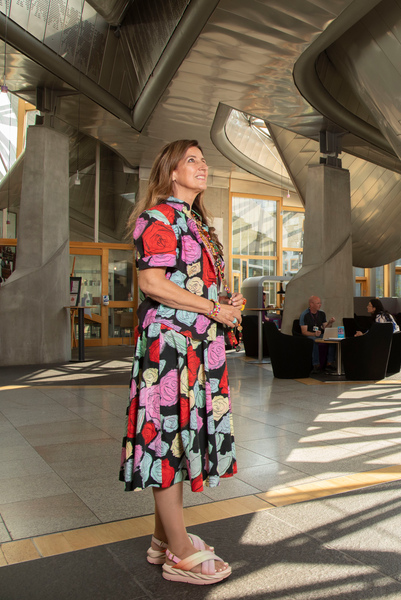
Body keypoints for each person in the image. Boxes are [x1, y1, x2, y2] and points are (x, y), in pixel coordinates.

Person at [120, 140, 243, 586]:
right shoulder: (159, 217)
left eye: (203, 160)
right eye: (192, 160)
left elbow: (190, 286)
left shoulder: (199, 224)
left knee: (178, 437)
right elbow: (153, 282)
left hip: (196, 347)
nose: (202, 165)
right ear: (171, 171)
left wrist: (224, 302)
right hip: (169, 347)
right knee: (167, 439)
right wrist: (212, 309)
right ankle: (179, 551)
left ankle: (162, 541)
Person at [300, 295, 336, 372]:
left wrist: (330, 322)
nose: (320, 305)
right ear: (311, 304)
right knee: (314, 341)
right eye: (318, 303)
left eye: (320, 303)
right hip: (310, 335)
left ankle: (329, 363)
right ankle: (316, 364)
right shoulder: (304, 315)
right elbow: (304, 332)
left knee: (332, 341)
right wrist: (314, 334)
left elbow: (326, 328)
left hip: (320, 334)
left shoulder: (322, 314)